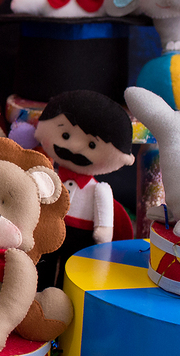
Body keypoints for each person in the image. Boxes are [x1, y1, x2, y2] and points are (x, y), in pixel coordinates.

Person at [32, 90, 135, 288]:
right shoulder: (48, 175)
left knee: (72, 272)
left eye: (91, 144)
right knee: (41, 266)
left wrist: (103, 235)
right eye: (65, 135)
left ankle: (65, 299)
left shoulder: (100, 189)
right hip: (47, 230)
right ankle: (37, 296)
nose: (75, 147)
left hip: (81, 237)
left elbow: (104, 223)